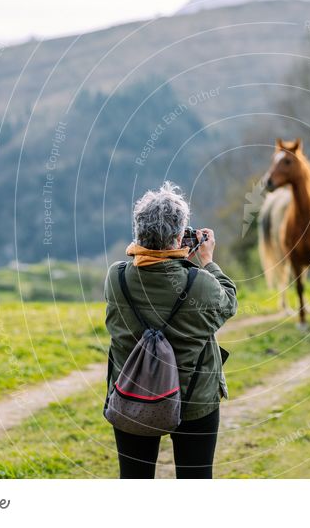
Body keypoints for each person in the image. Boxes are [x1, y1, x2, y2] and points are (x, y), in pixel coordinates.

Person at [104, 181, 237, 479]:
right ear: (179, 237)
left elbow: (153, 274)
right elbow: (228, 301)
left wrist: (174, 257)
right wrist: (207, 262)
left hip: (131, 397)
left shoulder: (116, 278)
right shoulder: (201, 284)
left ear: (138, 232)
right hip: (194, 402)